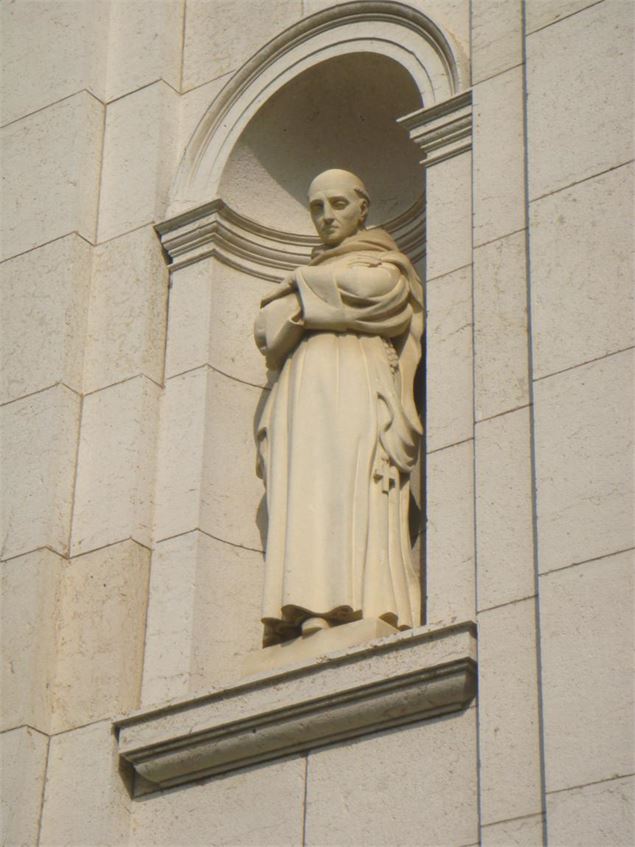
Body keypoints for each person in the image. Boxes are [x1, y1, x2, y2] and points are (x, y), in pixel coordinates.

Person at [254, 169, 423, 647]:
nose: (327, 216)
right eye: (317, 207)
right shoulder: (324, 270)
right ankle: (303, 606)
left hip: (357, 386)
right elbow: (265, 329)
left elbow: (382, 296)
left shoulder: (384, 262)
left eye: (338, 204)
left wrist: (300, 293)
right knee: (305, 491)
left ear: (362, 208)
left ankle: (362, 600)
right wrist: (323, 301)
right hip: (300, 394)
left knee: (351, 484)